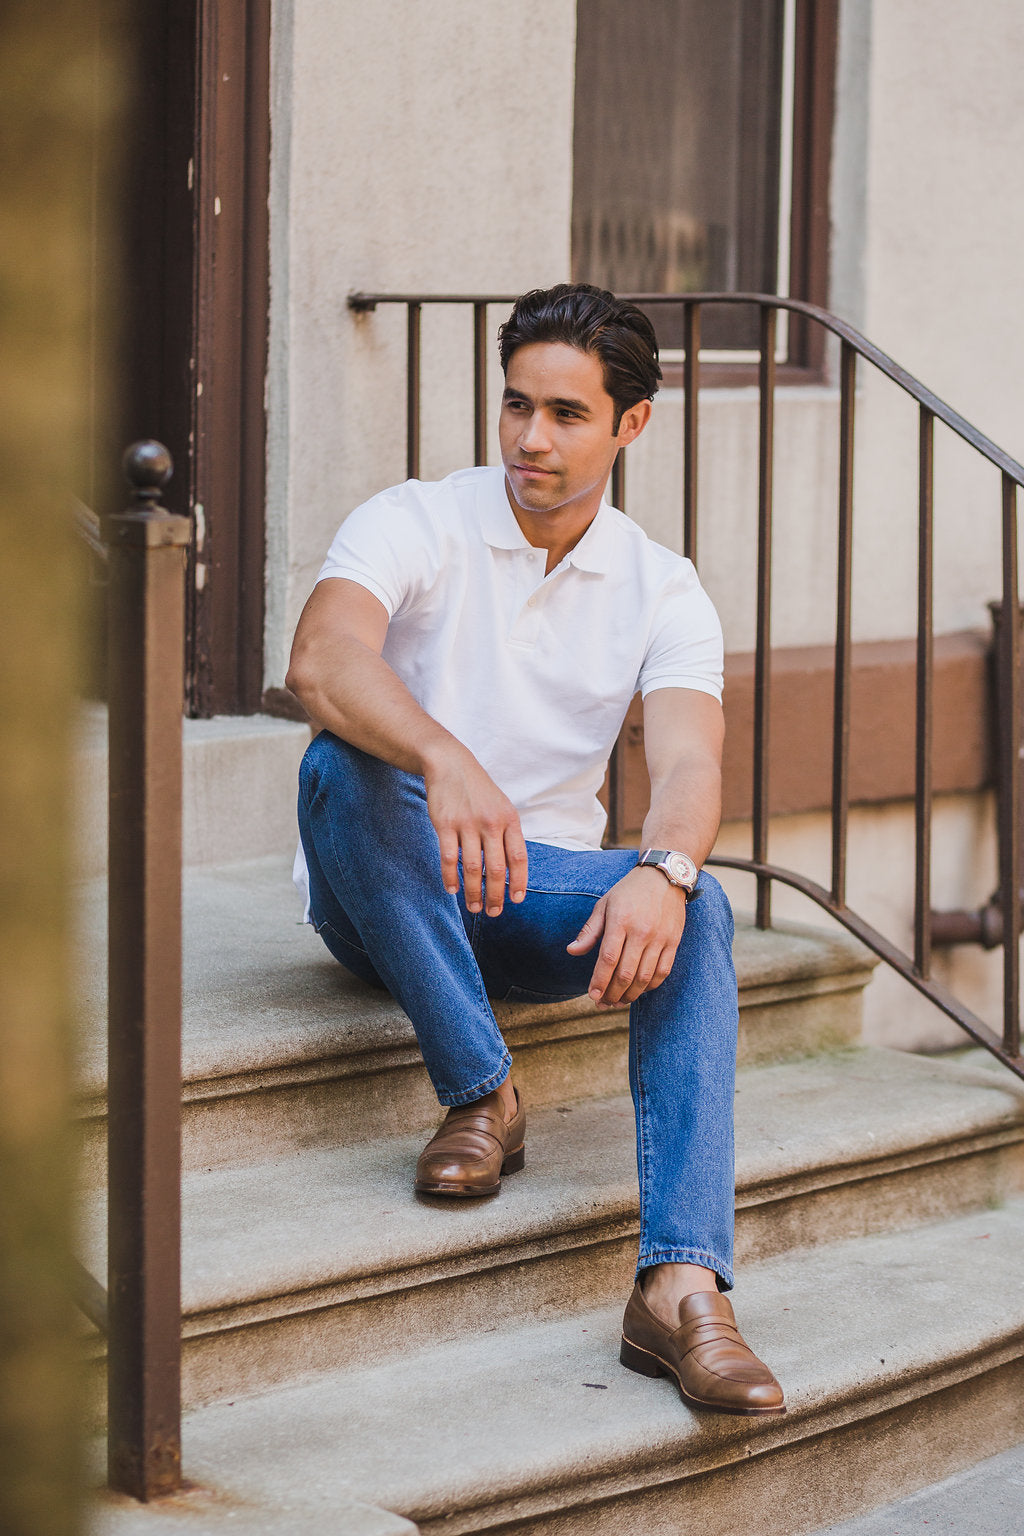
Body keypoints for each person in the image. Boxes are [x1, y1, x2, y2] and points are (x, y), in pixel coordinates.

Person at [286, 282, 784, 1417]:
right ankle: (483, 1090)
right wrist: (443, 757)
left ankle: (680, 1288)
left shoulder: (664, 587)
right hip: (384, 894)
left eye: (565, 414)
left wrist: (664, 872)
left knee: (696, 905)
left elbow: (693, 764)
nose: (529, 438)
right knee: (341, 762)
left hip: (532, 893)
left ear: (630, 424)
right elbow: (321, 659)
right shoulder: (414, 519)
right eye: (516, 406)